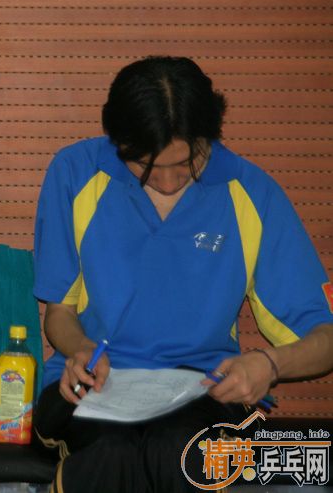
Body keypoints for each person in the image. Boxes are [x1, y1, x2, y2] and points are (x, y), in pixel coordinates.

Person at [32, 56, 333, 492]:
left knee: (182, 452)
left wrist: (269, 365)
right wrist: (81, 350)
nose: (169, 182)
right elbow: (59, 313)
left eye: (187, 163)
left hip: (204, 391)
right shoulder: (75, 173)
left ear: (208, 139)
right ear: (118, 143)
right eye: (146, 167)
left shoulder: (252, 193)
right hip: (89, 386)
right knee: (111, 454)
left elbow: (325, 338)